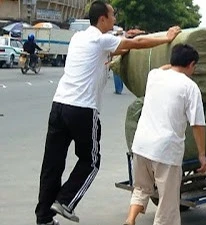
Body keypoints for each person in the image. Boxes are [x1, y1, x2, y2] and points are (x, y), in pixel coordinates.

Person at [34, 1, 181, 225]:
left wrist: (127, 38)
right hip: (82, 110)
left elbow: (121, 46)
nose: (115, 19)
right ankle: (65, 201)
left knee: (52, 164)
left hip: (59, 106)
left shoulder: (79, 38)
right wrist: (167, 38)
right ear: (102, 18)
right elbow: (135, 44)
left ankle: (44, 218)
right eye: (113, 16)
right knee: (91, 162)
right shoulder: (100, 39)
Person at [123, 44, 206, 225]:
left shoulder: (154, 75)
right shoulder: (190, 87)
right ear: (192, 64)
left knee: (141, 188)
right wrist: (202, 154)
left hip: (140, 145)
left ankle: (130, 220)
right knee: (168, 203)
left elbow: (163, 68)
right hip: (166, 152)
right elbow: (198, 125)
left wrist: (174, 64)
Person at [112, 28, 125, 94]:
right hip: (123, 58)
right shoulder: (124, 39)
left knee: (116, 74)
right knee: (121, 74)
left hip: (116, 59)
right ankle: (120, 88)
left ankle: (118, 89)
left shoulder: (115, 40)